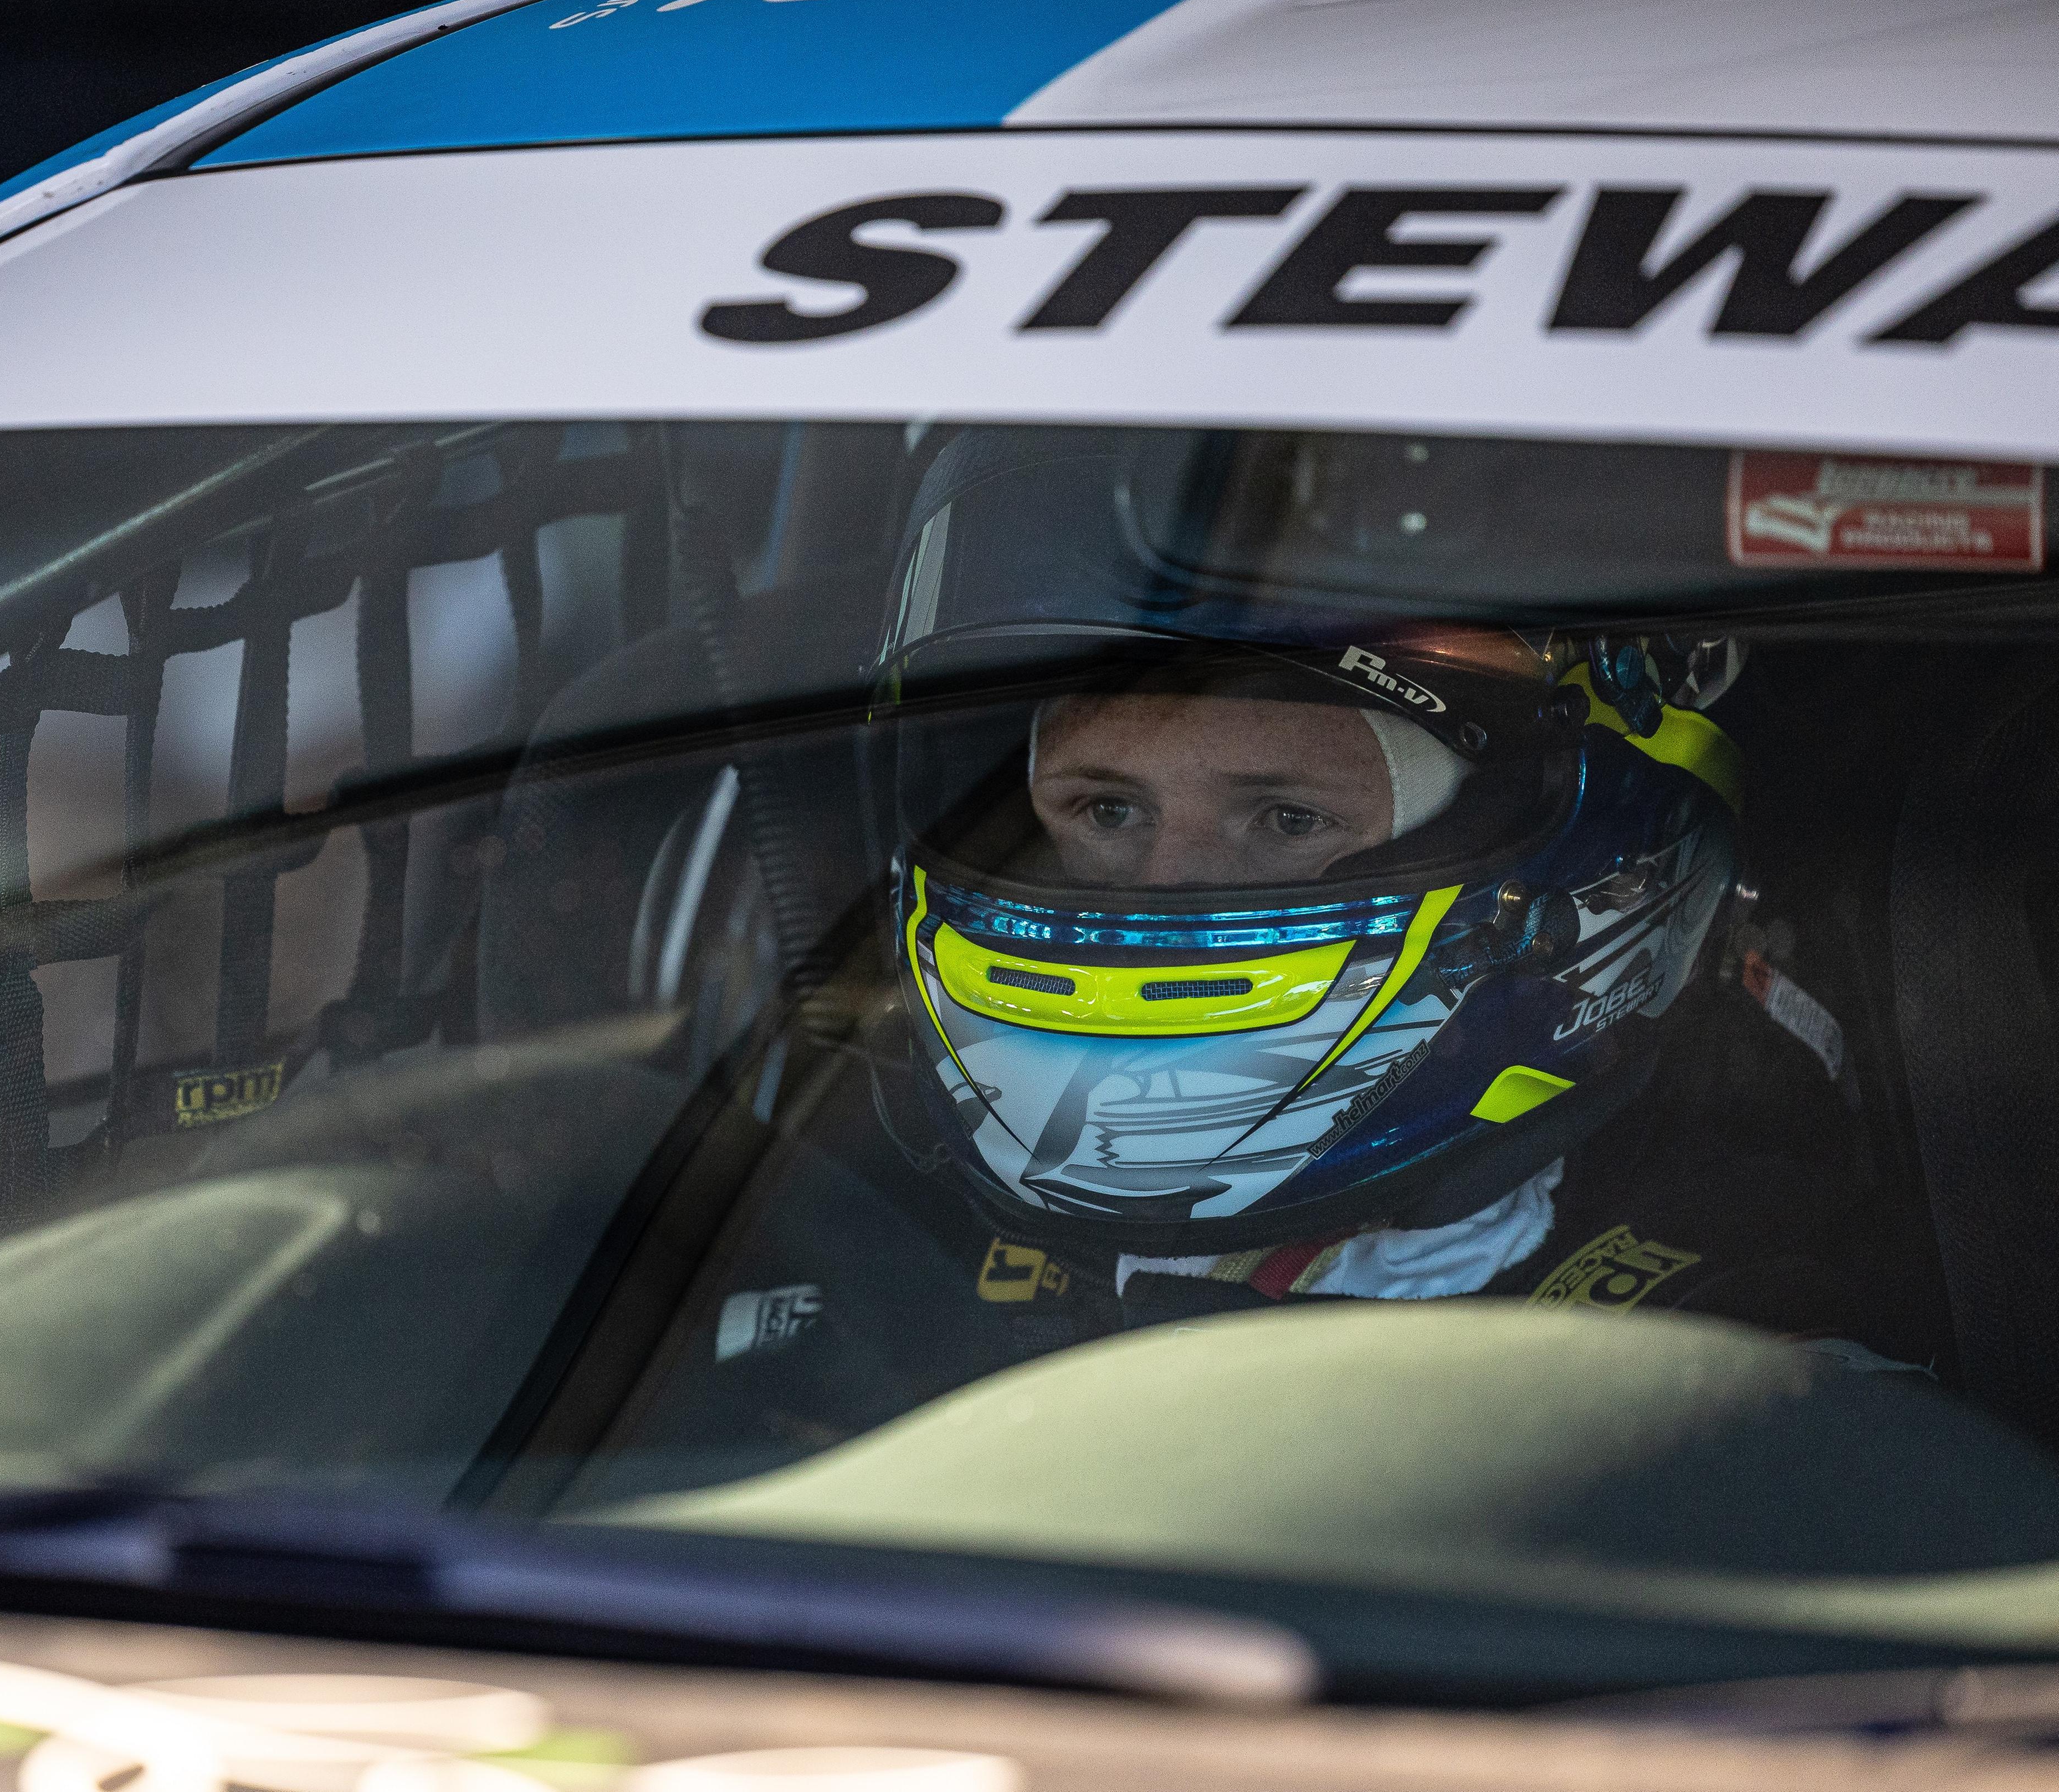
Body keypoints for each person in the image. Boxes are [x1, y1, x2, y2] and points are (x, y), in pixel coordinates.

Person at [577, 429, 1915, 1496]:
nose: (1165, 893)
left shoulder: (1748, 1334)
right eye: (1105, 811)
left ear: (1595, 849)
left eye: (1287, 820)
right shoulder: (845, 1198)